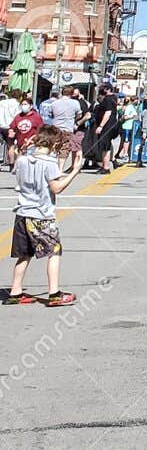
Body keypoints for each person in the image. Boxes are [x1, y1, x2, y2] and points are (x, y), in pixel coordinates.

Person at [6, 125, 79, 306]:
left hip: (22, 213)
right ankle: (54, 293)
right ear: (54, 145)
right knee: (54, 251)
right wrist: (75, 171)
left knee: (25, 254)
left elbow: (19, 166)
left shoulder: (23, 160)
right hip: (41, 215)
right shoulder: (49, 163)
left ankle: (15, 292)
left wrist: (23, 150)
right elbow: (57, 188)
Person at [0, 90, 21, 171]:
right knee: (11, 145)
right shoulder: (17, 104)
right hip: (10, 127)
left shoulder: (2, 102)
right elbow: (17, 117)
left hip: (1, 125)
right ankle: (11, 165)